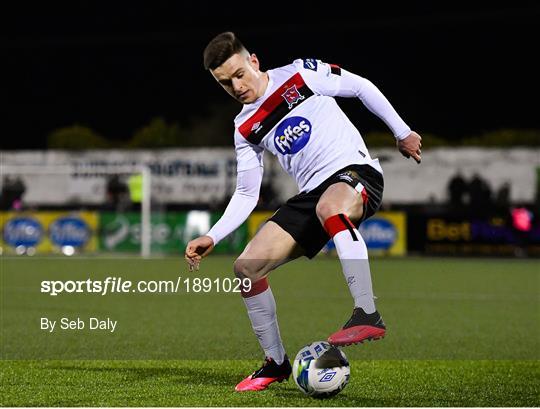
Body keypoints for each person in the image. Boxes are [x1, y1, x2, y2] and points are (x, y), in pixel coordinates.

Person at [185, 32, 422, 392]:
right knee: (247, 268)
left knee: (330, 205)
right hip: (312, 195)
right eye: (224, 83)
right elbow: (247, 192)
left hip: (355, 174)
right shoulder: (244, 128)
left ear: (254, 62)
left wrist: (402, 132)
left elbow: (361, 87)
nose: (235, 86)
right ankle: (275, 363)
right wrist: (213, 235)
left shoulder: (300, 74)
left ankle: (366, 311)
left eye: (238, 75)